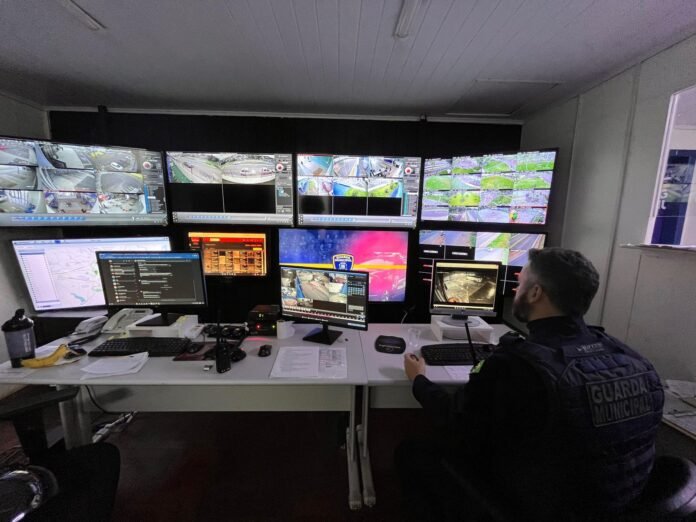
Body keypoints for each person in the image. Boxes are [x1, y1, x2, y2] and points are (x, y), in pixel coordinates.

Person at [396, 247, 664, 521]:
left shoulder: (518, 366)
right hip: (623, 504)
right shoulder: (633, 359)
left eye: (521, 282)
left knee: (412, 452)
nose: (516, 290)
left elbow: (455, 421)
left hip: (544, 508)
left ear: (535, 293)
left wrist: (419, 379)